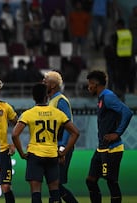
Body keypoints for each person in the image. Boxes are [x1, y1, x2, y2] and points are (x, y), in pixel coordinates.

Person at [12, 83, 80, 203]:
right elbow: (75, 133)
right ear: (47, 96)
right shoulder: (57, 113)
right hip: (52, 155)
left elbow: (15, 134)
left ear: (33, 97)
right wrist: (63, 152)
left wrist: (22, 153)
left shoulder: (28, 113)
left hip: (35, 155)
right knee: (54, 191)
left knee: (36, 192)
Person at [85, 70, 133, 203]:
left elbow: (127, 112)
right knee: (90, 180)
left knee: (111, 182)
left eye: (89, 84)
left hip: (113, 149)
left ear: (95, 84)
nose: (88, 87)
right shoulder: (101, 98)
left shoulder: (108, 96)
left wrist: (117, 133)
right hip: (102, 148)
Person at [43, 71, 78, 203]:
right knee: (54, 183)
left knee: (55, 183)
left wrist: (63, 148)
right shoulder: (52, 101)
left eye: (45, 81)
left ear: (52, 85)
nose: (43, 83)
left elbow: (69, 126)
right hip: (55, 147)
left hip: (61, 147)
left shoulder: (60, 101)